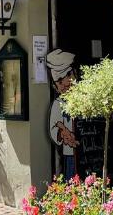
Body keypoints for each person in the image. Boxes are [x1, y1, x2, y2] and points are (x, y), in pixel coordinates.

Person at [46, 48, 78, 180]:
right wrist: (61, 133)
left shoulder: (84, 98)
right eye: (59, 82)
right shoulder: (57, 104)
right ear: (55, 86)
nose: (65, 84)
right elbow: (53, 128)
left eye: (68, 77)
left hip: (86, 151)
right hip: (69, 152)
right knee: (71, 178)